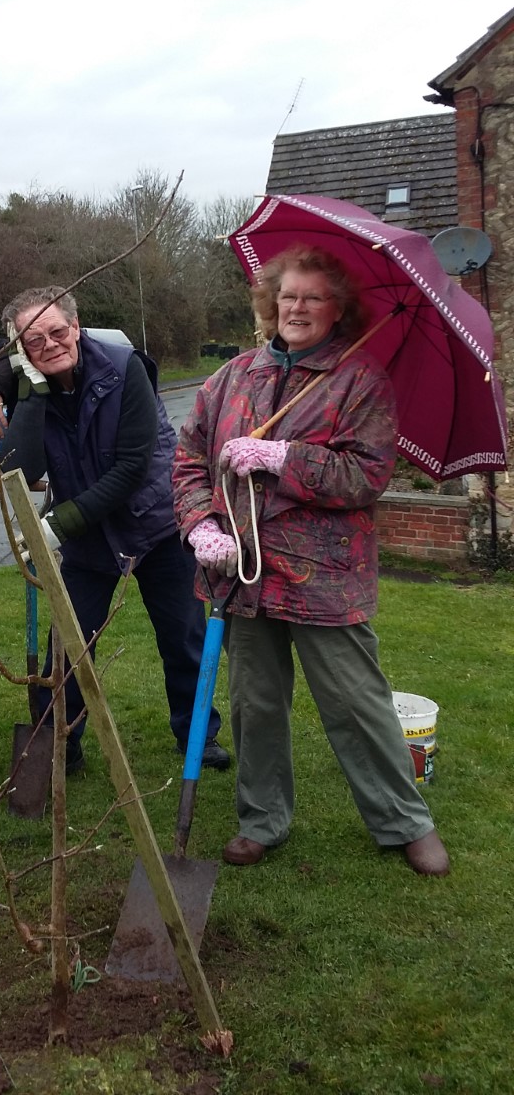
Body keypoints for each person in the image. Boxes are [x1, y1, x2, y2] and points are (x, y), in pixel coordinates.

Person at [172, 246, 449, 877]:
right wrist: (201, 526)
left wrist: (282, 459)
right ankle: (262, 819)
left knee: (357, 703)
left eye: (313, 298)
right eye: (288, 296)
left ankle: (404, 821)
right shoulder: (232, 377)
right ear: (271, 302)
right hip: (241, 571)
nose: (297, 308)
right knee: (255, 703)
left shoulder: (360, 381)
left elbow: (366, 475)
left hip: (325, 579)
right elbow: (188, 462)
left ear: (337, 309)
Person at [0, 285, 230, 773]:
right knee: (68, 648)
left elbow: (132, 468)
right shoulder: (26, 376)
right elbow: (22, 469)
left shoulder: (123, 368)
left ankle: (198, 734)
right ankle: (60, 747)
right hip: (92, 541)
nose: (49, 343)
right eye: (33, 339)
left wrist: (58, 525)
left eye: (57, 331)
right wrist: (6, 392)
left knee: (182, 639)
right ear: (21, 346)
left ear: (77, 326)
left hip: (155, 523)